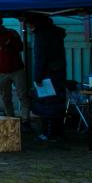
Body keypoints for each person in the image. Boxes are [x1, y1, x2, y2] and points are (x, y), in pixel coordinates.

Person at [0, 15, 31, 125]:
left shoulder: (12, 33)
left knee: (23, 95)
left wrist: (8, 44)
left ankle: (26, 120)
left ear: (1, 23)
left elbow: (20, 48)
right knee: (6, 97)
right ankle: (10, 120)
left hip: (17, 69)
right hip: (1, 72)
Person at [25, 12, 67, 142]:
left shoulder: (42, 35)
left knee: (47, 105)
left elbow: (40, 58)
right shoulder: (56, 33)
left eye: (29, 24)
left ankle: (49, 133)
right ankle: (57, 132)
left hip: (48, 75)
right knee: (57, 103)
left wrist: (37, 77)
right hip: (58, 73)